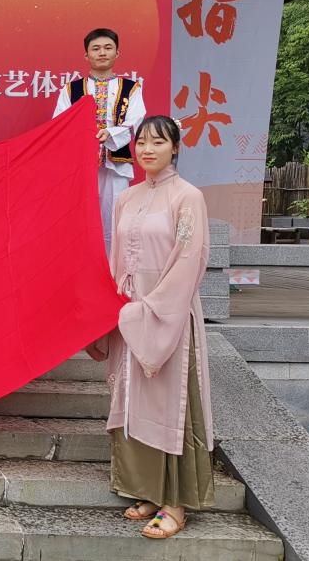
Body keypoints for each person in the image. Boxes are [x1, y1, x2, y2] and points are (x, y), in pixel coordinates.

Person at [87, 115, 215, 540]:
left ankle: (174, 503)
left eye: (158, 142)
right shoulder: (128, 197)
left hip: (166, 315)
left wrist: (154, 309)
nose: (147, 149)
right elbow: (116, 258)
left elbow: (189, 259)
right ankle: (146, 489)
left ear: (175, 148)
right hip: (130, 313)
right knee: (132, 399)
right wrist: (112, 309)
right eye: (141, 142)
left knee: (166, 403)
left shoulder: (188, 197)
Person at [53, 28, 146, 254]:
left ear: (117, 53)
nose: (102, 53)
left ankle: (114, 268)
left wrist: (110, 134)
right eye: (95, 49)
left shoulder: (130, 88)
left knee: (116, 216)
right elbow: (60, 123)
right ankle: (84, 266)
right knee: (81, 215)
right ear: (86, 55)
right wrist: (84, 139)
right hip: (81, 164)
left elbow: (136, 120)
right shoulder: (72, 89)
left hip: (116, 162)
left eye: (107, 48)